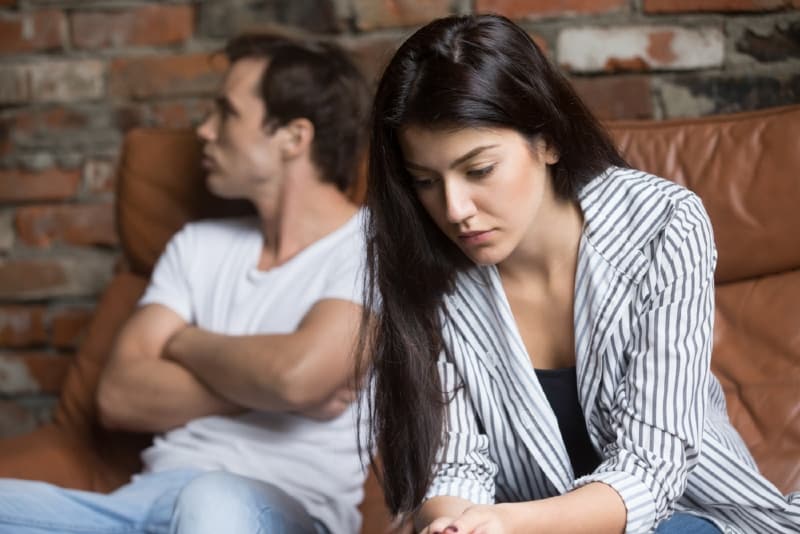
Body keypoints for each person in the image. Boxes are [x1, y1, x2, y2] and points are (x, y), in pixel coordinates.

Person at [358, 13, 800, 534]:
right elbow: (454, 466)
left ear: (547, 141)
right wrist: (458, 526)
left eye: (479, 171)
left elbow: (651, 471)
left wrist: (506, 524)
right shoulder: (427, 262)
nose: (454, 209)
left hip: (688, 518)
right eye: (426, 181)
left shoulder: (661, 224)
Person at [0, 32, 370, 534]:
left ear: (293, 136)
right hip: (143, 503)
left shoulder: (372, 246)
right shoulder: (197, 244)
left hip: (278, 510)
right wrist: (269, 387)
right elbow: (117, 396)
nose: (204, 131)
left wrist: (182, 341)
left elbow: (296, 376)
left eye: (226, 113)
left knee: (211, 502)